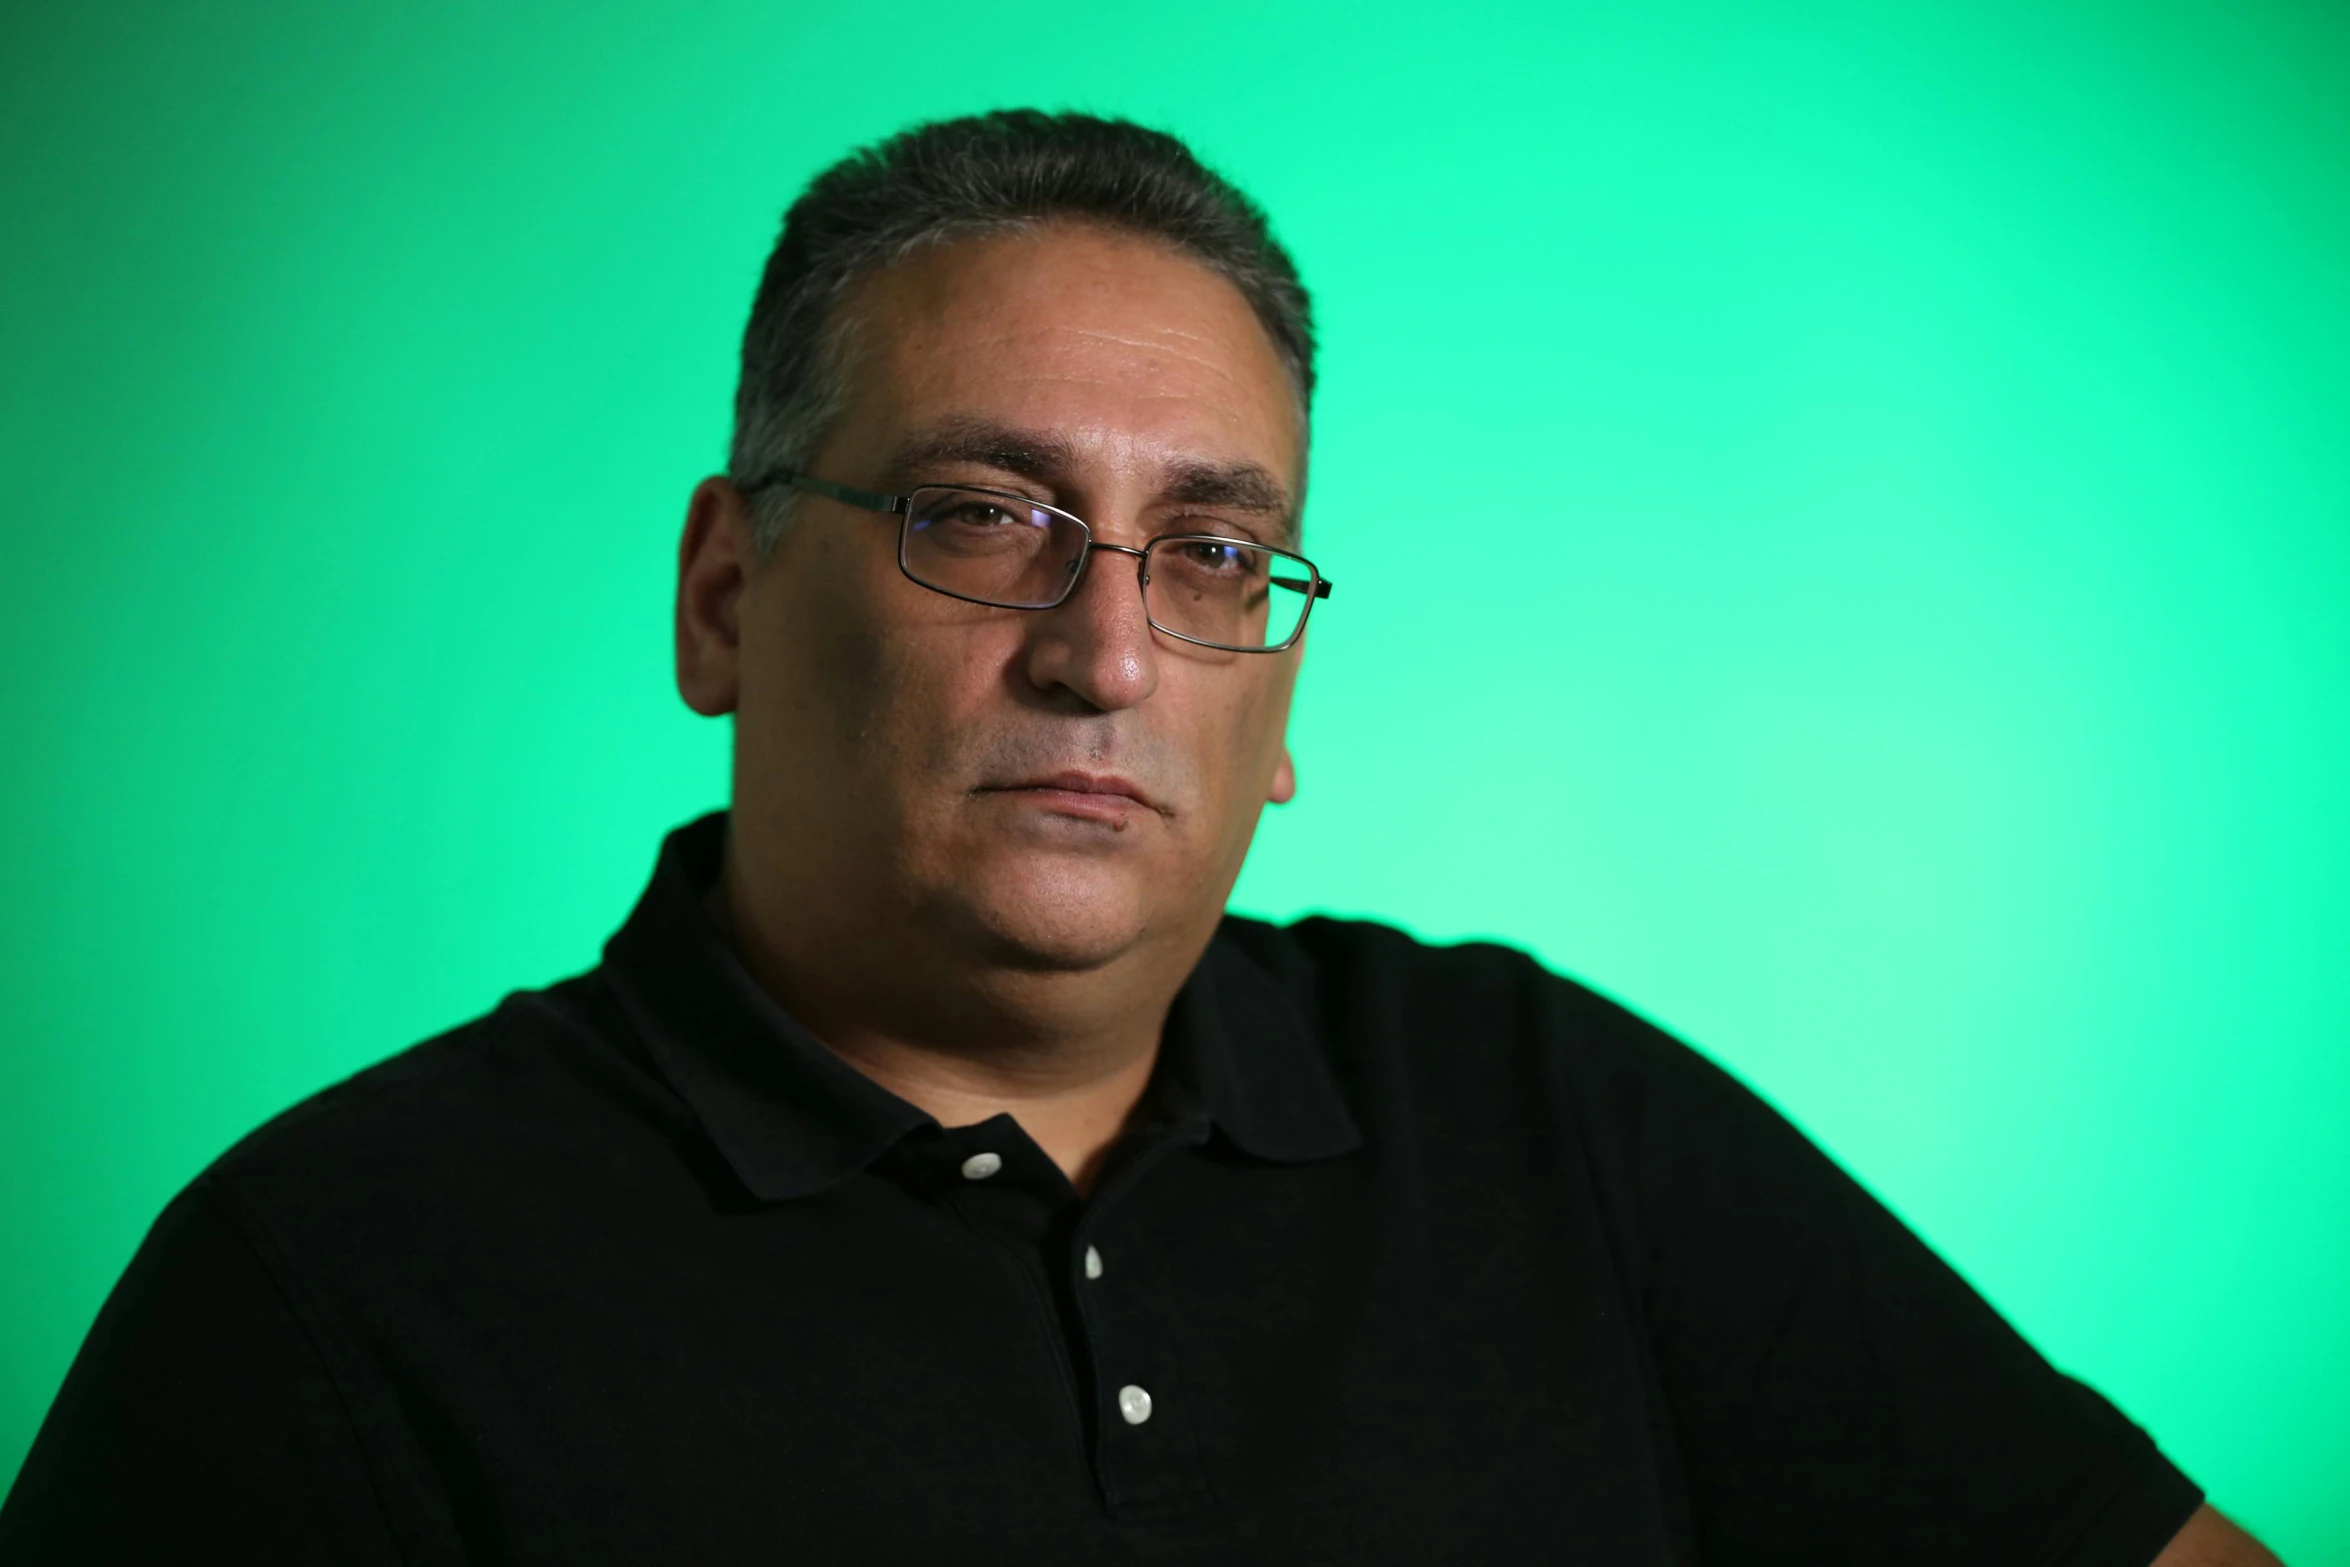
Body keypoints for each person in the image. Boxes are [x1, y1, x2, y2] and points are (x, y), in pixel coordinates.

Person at [0, 110, 2279, 1565]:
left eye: (1208, 553)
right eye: (984, 517)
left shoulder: (1531, 1110)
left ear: (1277, 686)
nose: (1105, 654)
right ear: (721, 594)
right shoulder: (327, 1293)